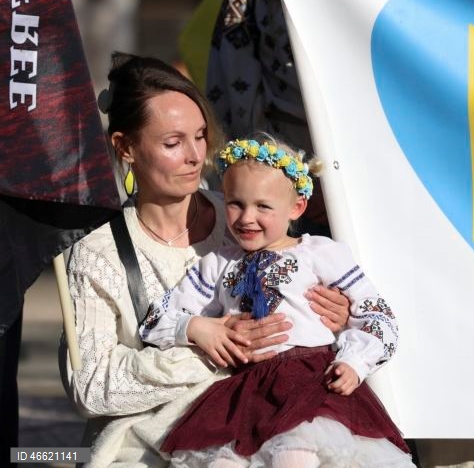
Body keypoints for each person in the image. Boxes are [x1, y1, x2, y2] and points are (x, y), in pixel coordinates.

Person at [61, 53, 350, 468]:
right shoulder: (97, 250)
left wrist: (334, 318)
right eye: (173, 143)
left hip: (274, 425)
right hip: (151, 445)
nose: (197, 155)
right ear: (125, 147)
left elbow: (321, 328)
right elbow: (91, 387)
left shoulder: (250, 216)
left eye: (200, 136)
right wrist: (205, 345)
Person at [138, 137, 413, 467]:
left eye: (263, 207)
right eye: (235, 203)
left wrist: (356, 360)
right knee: (223, 462)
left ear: (296, 208)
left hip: (312, 383)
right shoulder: (217, 264)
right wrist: (195, 326)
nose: (246, 217)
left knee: (295, 453)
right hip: (243, 393)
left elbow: (377, 314)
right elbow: (154, 321)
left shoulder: (319, 253)